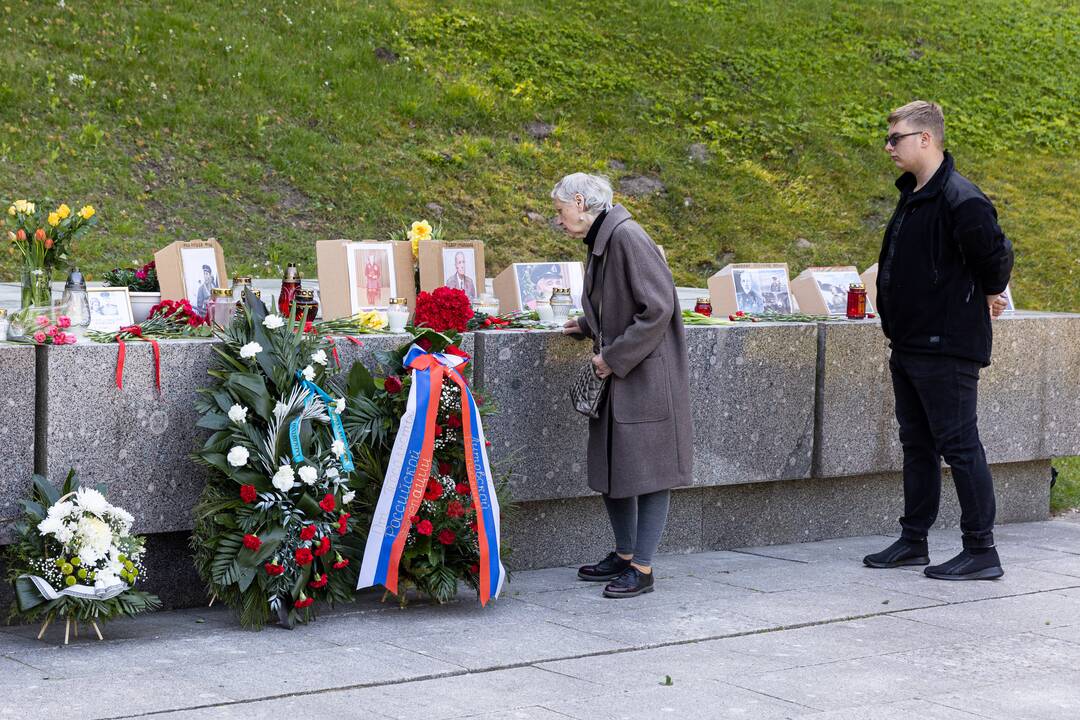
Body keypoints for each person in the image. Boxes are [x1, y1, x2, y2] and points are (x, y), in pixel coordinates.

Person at [863, 101, 1013, 581]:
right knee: (918, 445)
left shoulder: (960, 198)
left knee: (960, 444)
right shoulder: (916, 193)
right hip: (908, 344)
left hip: (946, 345)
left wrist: (991, 292)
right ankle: (913, 541)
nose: (889, 147)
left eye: (897, 138)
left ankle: (981, 551)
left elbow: (995, 255)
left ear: (925, 139)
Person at [554, 172, 693, 598]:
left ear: (580, 202)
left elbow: (658, 308)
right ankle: (625, 553)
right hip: (626, 375)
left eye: (560, 211)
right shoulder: (607, 237)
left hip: (643, 377)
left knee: (649, 473)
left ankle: (643, 569)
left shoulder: (627, 237)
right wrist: (585, 324)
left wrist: (611, 359)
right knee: (614, 466)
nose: (558, 220)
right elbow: (622, 303)